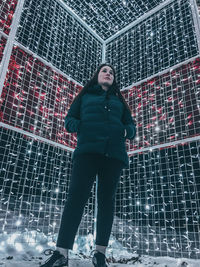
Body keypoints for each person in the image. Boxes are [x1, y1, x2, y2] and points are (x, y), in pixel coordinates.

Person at [40, 63, 136, 267]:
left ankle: (100, 253)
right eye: (105, 71)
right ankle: (61, 254)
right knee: (75, 199)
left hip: (114, 156)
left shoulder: (120, 101)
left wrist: (127, 131)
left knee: (106, 202)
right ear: (97, 76)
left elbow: (131, 125)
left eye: (112, 72)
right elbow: (69, 121)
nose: (109, 73)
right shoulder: (85, 97)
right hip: (87, 153)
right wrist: (82, 126)